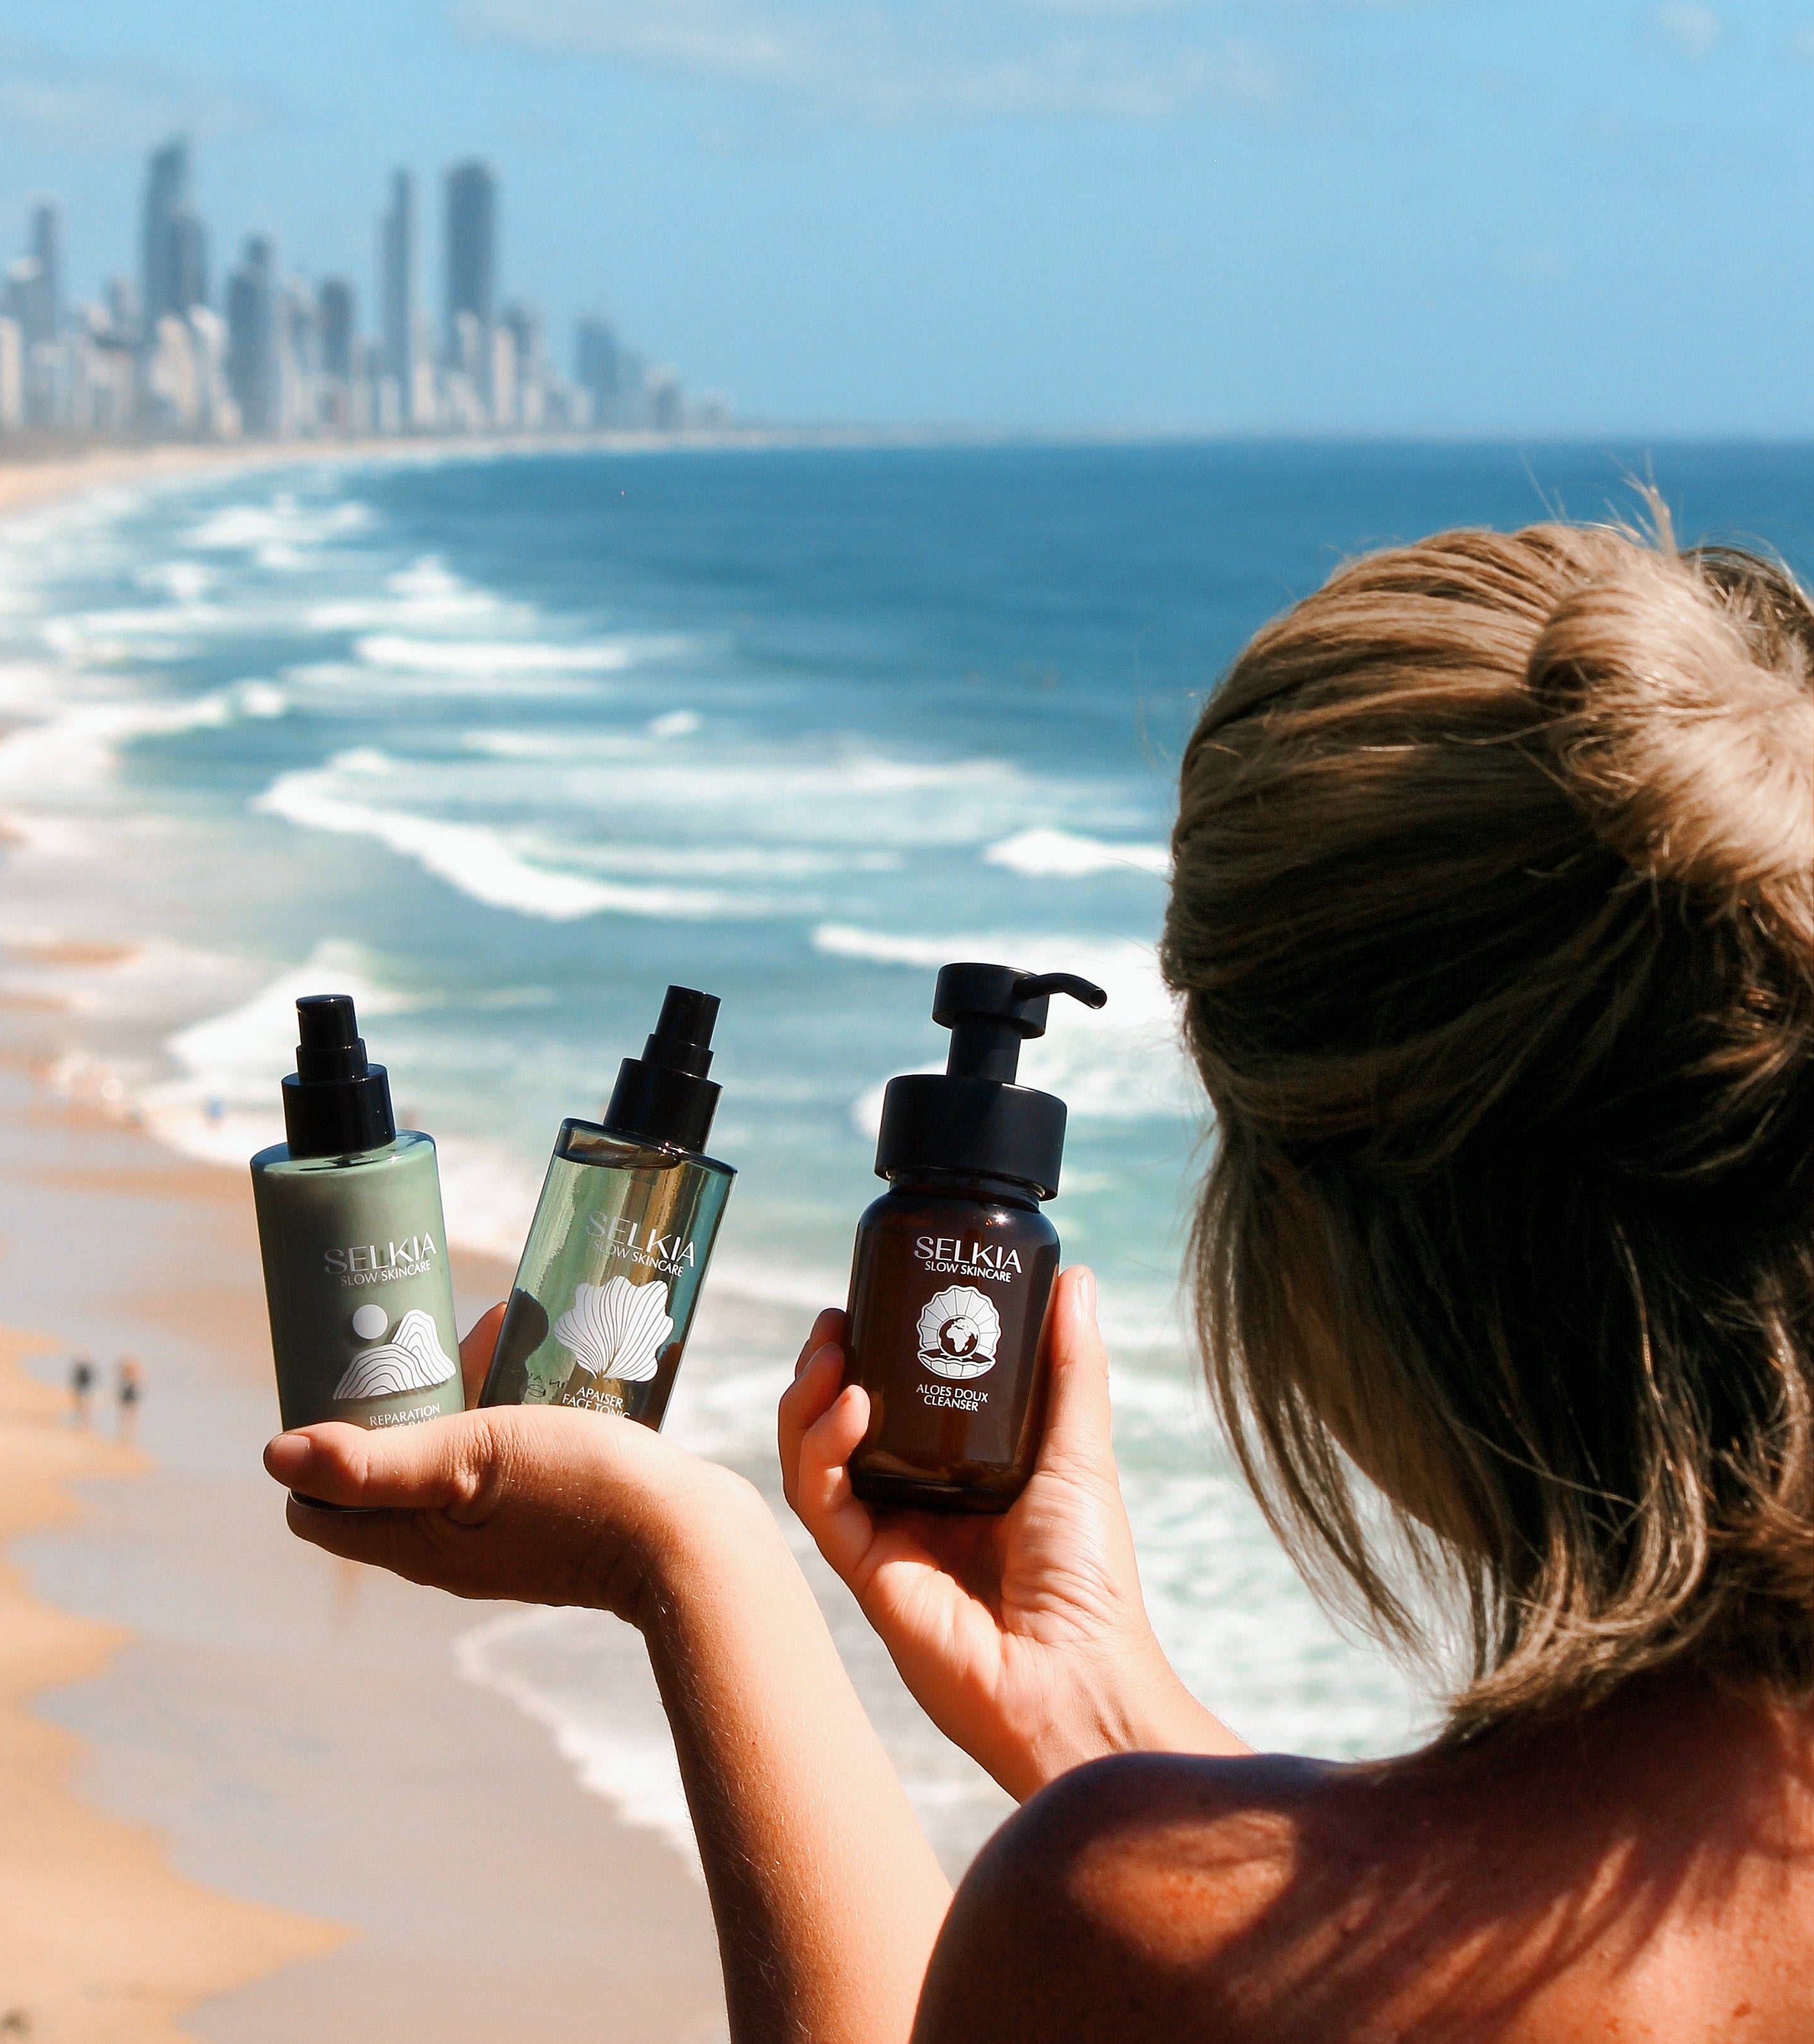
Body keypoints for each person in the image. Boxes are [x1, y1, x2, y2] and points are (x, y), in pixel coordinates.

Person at [265, 509, 1814, 2040]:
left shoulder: (1114, 1923)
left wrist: (679, 1551)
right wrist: (1089, 1705)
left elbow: (1261, 1967)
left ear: (1315, 1199)